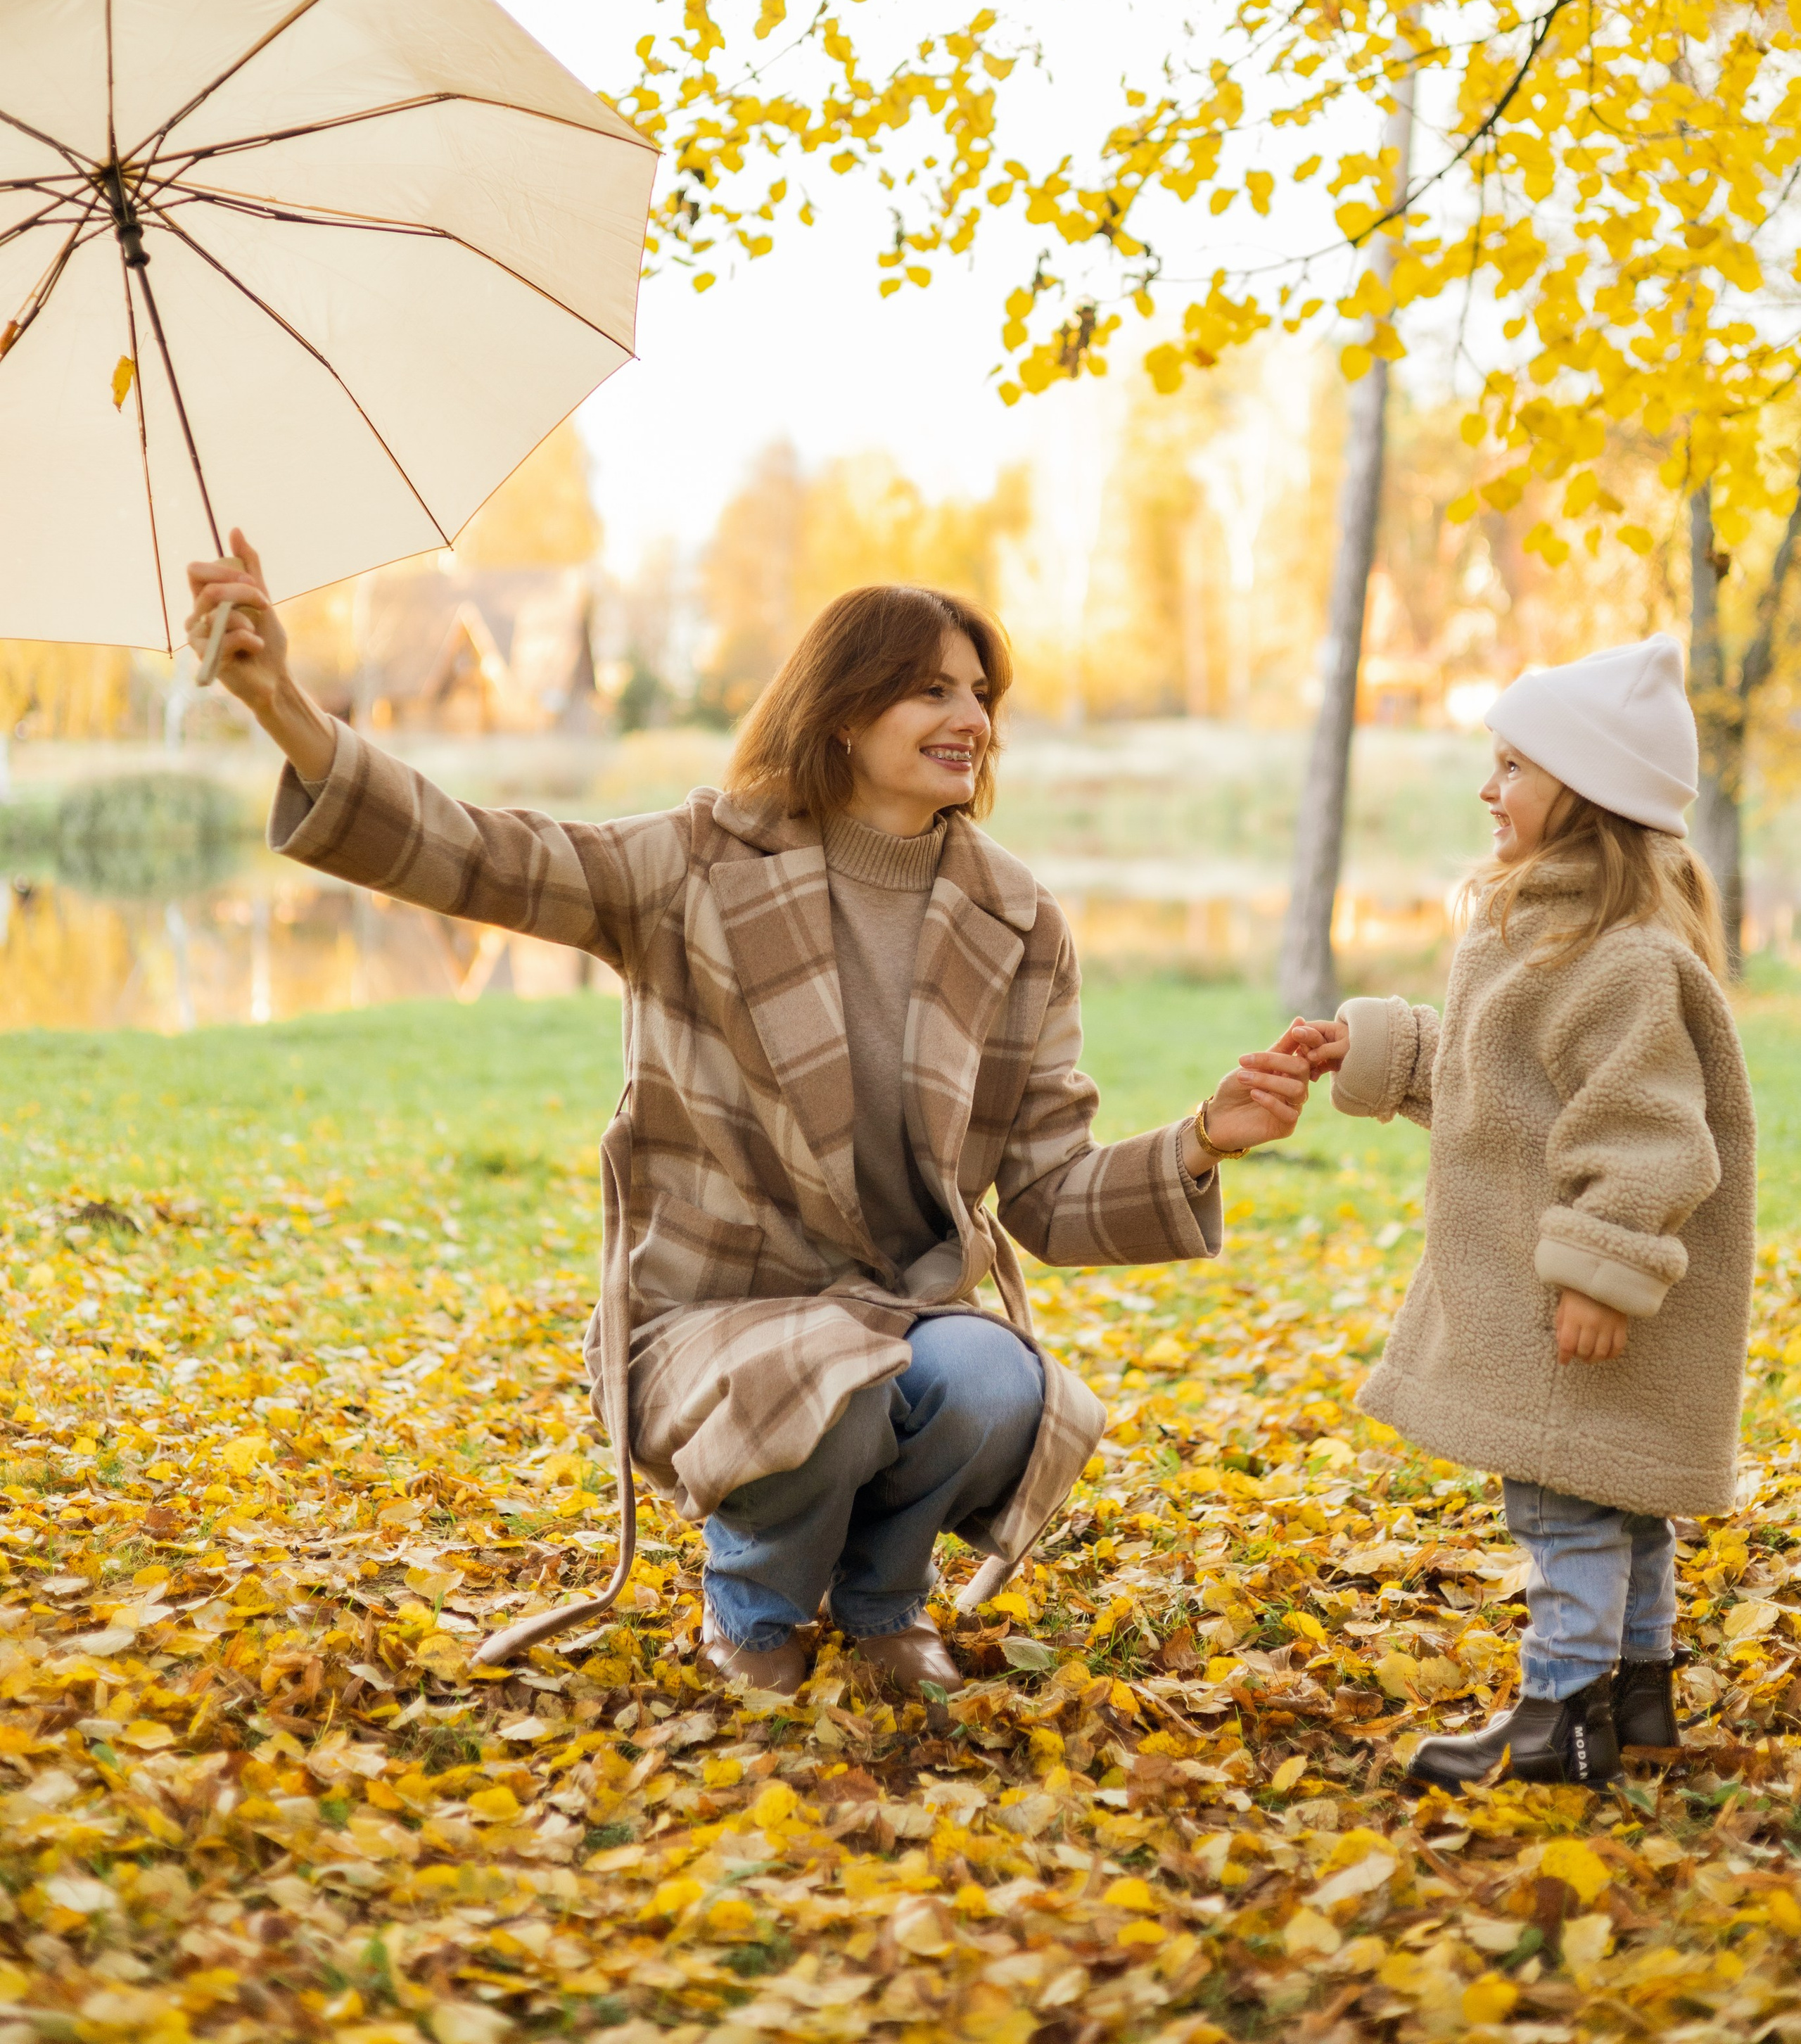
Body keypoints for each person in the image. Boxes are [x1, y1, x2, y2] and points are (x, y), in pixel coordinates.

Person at [186, 537, 1311, 1701]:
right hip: (706, 1315)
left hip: (902, 1313)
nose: (971, 718)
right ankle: (754, 1606)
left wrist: (1202, 1141)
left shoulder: (1017, 918)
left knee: (994, 1380)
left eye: (982, 692)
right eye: (932, 689)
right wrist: (282, 704)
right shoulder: (696, 862)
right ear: (844, 712)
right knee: (837, 1383)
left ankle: (883, 1605)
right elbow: (479, 856)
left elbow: (1046, 1191)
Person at [1288, 636, 1755, 1792]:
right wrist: (1380, 1051)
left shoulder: (1620, 959)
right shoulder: (1552, 934)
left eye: (1512, 768)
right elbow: (1511, 1090)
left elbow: (1648, 1135)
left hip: (1571, 1307)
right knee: (1616, 1495)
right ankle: (1637, 1696)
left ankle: (1562, 1714)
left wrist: (1602, 1270)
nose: (1488, 790)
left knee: (1565, 1504)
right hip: (1561, 1294)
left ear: (1586, 793)